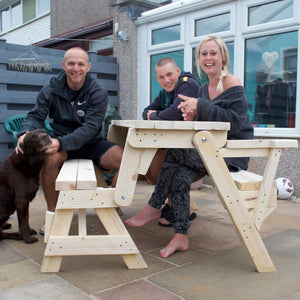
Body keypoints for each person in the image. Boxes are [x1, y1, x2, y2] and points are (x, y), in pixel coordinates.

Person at [125, 35, 254, 258]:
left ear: (223, 56)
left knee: (175, 151)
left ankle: (155, 206)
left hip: (230, 154)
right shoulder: (204, 88)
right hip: (208, 151)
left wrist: (200, 106)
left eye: (213, 53)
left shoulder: (232, 83)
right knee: (180, 175)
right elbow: (204, 123)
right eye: (204, 54)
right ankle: (180, 236)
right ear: (198, 59)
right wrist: (191, 114)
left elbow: (235, 122)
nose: (208, 58)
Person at [16, 47, 123, 234]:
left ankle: (112, 205)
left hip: (91, 143)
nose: (76, 68)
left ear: (88, 67)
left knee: (125, 159)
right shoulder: (50, 90)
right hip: (62, 142)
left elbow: (90, 128)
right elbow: (35, 116)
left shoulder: (97, 92)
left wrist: (62, 143)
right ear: (63, 65)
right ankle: (53, 215)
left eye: (80, 64)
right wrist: (25, 133)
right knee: (48, 160)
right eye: (71, 63)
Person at [143, 57, 201, 226]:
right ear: (157, 78)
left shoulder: (186, 84)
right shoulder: (165, 93)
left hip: (198, 149)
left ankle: (176, 207)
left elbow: (174, 114)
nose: (166, 80)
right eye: (161, 77)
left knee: (161, 160)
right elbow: (145, 111)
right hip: (181, 146)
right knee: (156, 159)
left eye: (169, 74)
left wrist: (153, 116)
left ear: (177, 71)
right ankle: (173, 204)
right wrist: (153, 114)